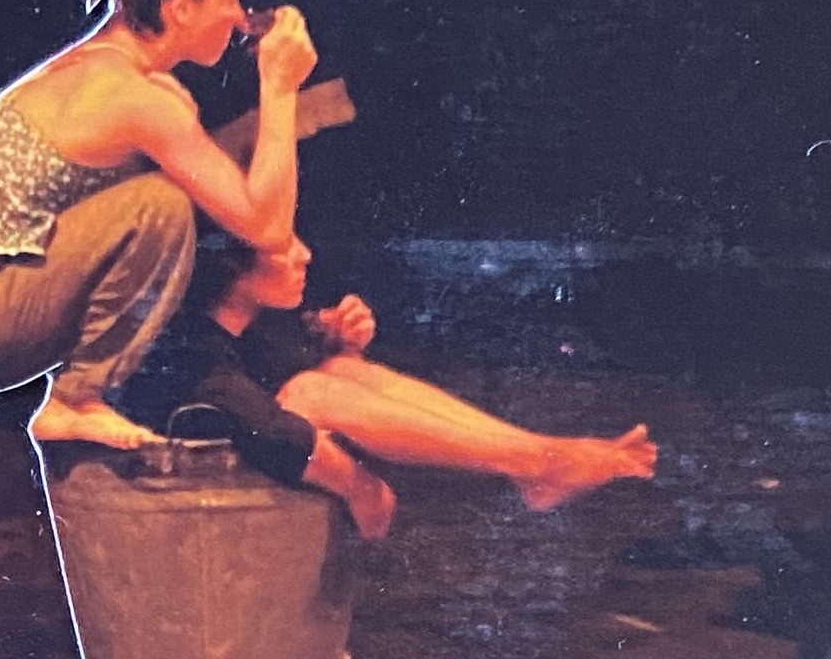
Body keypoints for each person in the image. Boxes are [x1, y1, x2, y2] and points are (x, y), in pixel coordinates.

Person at [0, 0, 318, 452]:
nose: (239, 17)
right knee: (160, 206)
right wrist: (280, 87)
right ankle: (74, 401)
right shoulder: (135, 98)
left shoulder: (123, 75)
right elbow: (266, 226)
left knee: (173, 208)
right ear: (180, 8)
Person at [132, 228, 657, 534]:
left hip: (249, 476)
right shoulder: (189, 349)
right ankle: (540, 463)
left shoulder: (242, 324)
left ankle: (537, 460)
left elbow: (284, 364)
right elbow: (268, 424)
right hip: (179, 506)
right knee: (314, 391)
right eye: (283, 245)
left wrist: (334, 340)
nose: (305, 254)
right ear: (229, 269)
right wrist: (358, 485)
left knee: (341, 371)